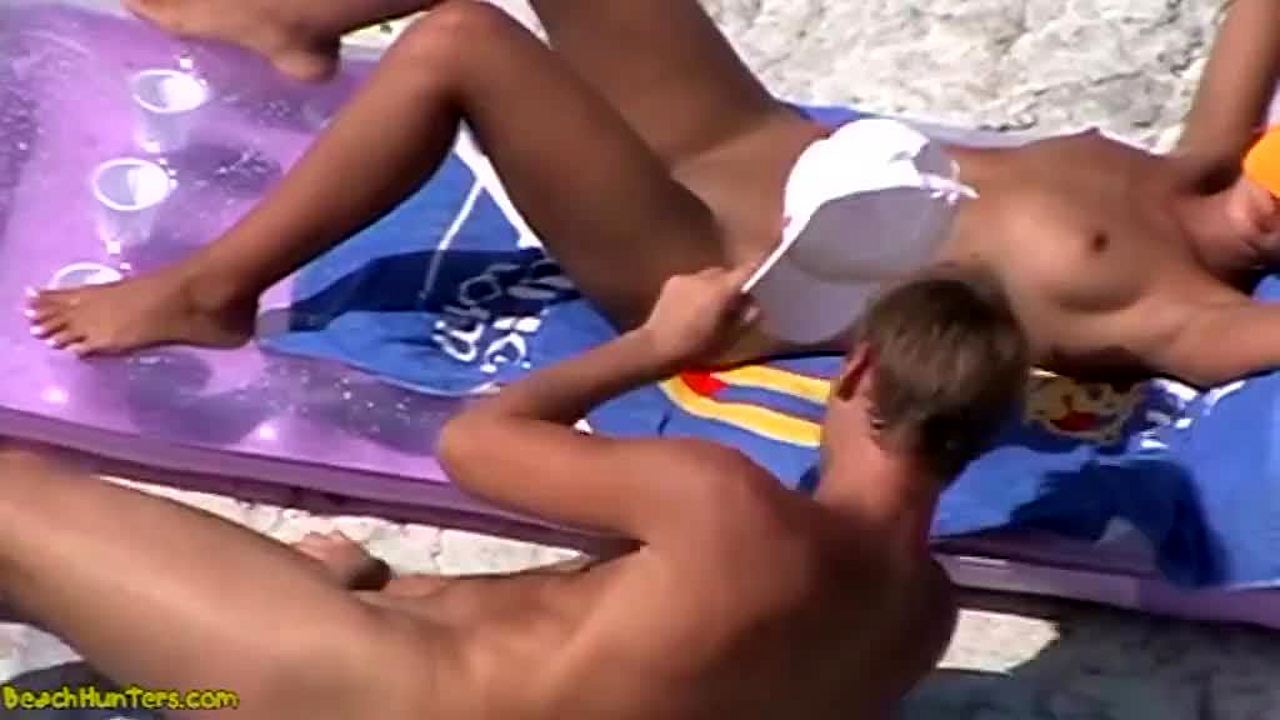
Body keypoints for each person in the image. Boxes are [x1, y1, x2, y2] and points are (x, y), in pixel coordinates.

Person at [21, 0, 1280, 389]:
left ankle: (213, 290)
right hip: (746, 139)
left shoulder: (1187, 308)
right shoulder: (1196, 163)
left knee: (461, 43)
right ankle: (292, 18)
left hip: (712, 270)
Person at [0, 262, 1029, 719]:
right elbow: (602, 654)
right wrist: (391, 586)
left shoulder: (726, 503)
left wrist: (658, 345)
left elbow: (474, 444)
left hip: (344, 693)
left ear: (857, 372)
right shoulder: (917, 625)